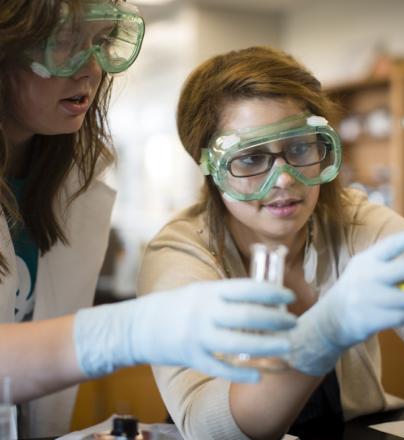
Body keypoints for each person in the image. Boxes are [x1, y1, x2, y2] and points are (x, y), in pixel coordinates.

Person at [137, 46, 404, 440]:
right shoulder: (180, 254)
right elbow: (209, 428)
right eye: (249, 158)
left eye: (299, 148)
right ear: (211, 169)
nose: (283, 179)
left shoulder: (354, 220)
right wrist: (329, 326)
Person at [0, 4, 297, 438]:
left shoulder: (73, 178)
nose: (91, 70)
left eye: (101, 43)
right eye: (64, 45)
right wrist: (130, 329)